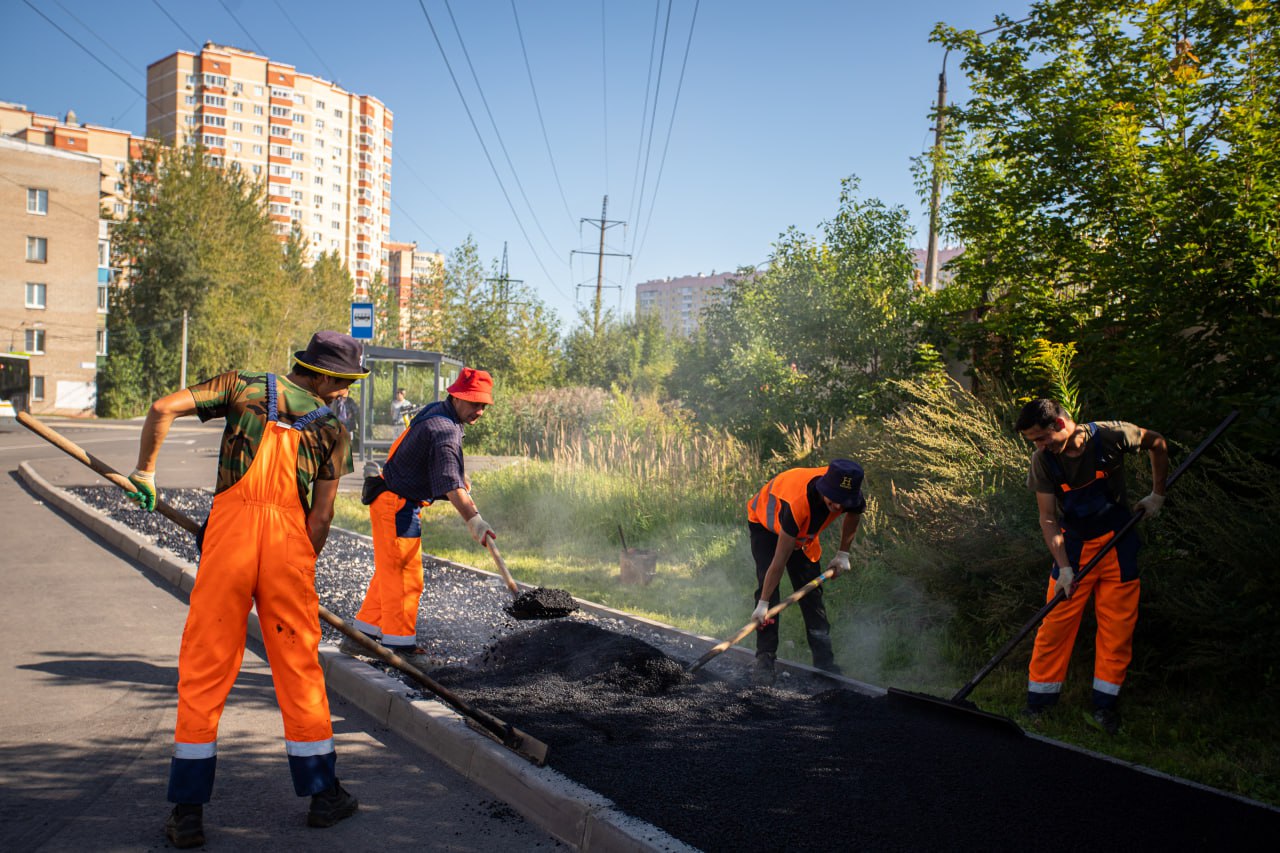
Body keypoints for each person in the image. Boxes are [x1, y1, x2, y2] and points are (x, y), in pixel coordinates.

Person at [125, 331, 367, 848]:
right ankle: (324, 796)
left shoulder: (244, 387)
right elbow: (322, 516)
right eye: (344, 383)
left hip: (228, 543)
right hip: (288, 548)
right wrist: (299, 568)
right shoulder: (333, 428)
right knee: (299, 669)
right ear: (324, 376)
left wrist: (145, 472)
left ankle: (187, 813)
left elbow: (162, 407)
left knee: (205, 668)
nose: (345, 392)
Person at [1015, 398, 1168, 735]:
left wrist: (1158, 494)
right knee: (1054, 627)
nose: (1039, 446)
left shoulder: (1112, 435)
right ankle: (1039, 705)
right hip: (1073, 549)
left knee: (1117, 630)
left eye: (1041, 438)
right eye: (1033, 441)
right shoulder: (1043, 460)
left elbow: (1157, 443)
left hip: (1119, 545)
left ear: (1059, 424)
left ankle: (1105, 707)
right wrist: (1064, 568)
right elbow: (1048, 518)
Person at [342, 367, 496, 663]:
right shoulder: (445, 429)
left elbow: (441, 465)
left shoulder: (439, 412)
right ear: (457, 396)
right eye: (474, 403)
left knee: (390, 572)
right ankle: (401, 648)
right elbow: (450, 484)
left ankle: (362, 636)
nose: (479, 411)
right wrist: (474, 520)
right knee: (405, 577)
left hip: (394, 500)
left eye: (483, 405)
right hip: (397, 504)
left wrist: (458, 476)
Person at [746, 459, 866, 686]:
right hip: (766, 525)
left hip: (802, 535)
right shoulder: (798, 502)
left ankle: (824, 664)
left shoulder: (849, 491)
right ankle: (765, 659)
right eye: (834, 499)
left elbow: (854, 514)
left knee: (812, 592)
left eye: (843, 502)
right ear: (824, 488)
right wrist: (762, 604)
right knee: (769, 591)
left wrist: (843, 554)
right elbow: (779, 562)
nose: (838, 506)